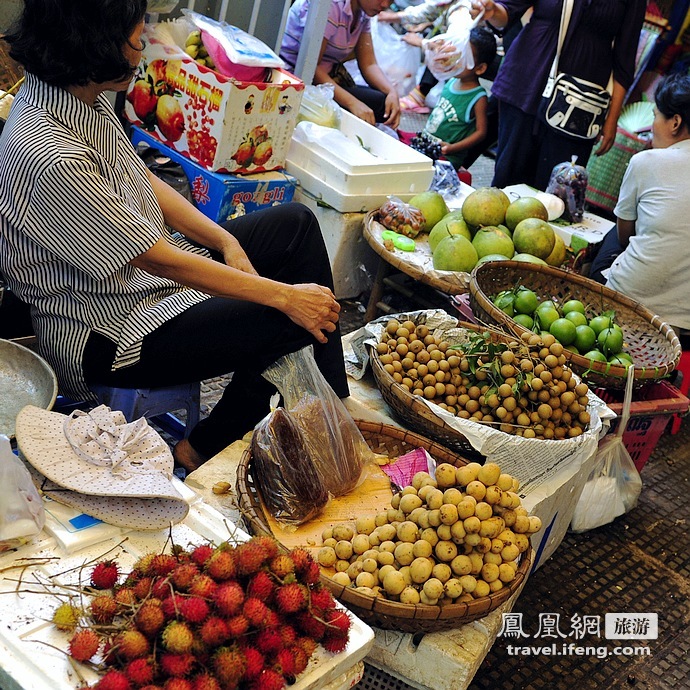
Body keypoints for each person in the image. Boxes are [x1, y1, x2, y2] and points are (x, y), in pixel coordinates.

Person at [0, 0, 349, 473]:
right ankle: (205, 445)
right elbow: (159, 258)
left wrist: (227, 242)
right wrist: (283, 296)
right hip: (108, 329)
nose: (141, 47)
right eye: (133, 39)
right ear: (91, 44)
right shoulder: (48, 152)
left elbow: (143, 181)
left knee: (294, 224)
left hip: (152, 287)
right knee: (287, 320)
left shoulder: (84, 96)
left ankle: (330, 412)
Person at [470, 0, 646, 191]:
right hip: (526, 84)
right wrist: (491, 11)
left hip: (579, 105)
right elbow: (506, 11)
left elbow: (625, 58)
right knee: (507, 180)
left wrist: (612, 119)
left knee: (559, 193)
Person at [588, 73, 690, 337]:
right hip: (685, 322)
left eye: (656, 116)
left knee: (616, 229)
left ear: (675, 122)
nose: (652, 125)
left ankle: (589, 284)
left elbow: (625, 237)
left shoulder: (646, 162)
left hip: (628, 295)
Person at [280, 0, 401, 128]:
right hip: (296, 77)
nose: (385, 5)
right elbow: (311, 67)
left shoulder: (362, 14)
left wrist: (392, 92)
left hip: (325, 78)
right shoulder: (329, 6)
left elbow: (369, 64)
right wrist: (352, 103)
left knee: (384, 104)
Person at [378, 0, 472, 113]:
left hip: (469, 58)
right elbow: (425, 12)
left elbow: (453, 44)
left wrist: (420, 42)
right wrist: (393, 16)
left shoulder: (461, 12)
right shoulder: (443, 4)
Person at [422, 26, 496, 169]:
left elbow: (481, 132)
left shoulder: (478, 97)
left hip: (446, 157)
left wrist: (452, 148)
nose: (456, 60)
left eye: (464, 57)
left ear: (479, 68)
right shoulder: (451, 81)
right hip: (428, 145)